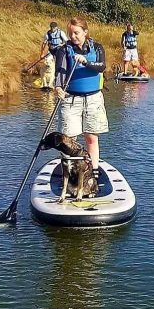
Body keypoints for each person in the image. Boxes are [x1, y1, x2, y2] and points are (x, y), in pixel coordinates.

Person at [54, 17, 108, 191]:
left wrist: (85, 61)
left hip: (93, 99)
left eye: (76, 33)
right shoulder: (64, 50)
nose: (73, 36)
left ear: (85, 32)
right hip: (71, 100)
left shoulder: (97, 47)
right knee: (69, 141)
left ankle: (93, 173)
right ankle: (69, 177)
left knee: (91, 138)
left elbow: (101, 66)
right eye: (70, 33)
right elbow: (61, 71)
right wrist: (58, 86)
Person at [39, 21, 67, 90]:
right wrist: (42, 53)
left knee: (58, 64)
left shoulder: (61, 32)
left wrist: (62, 44)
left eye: (54, 27)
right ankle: (46, 78)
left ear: (56, 27)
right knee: (48, 62)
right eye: (51, 27)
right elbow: (44, 43)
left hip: (59, 49)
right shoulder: (48, 34)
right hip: (51, 50)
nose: (52, 29)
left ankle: (56, 79)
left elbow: (66, 41)